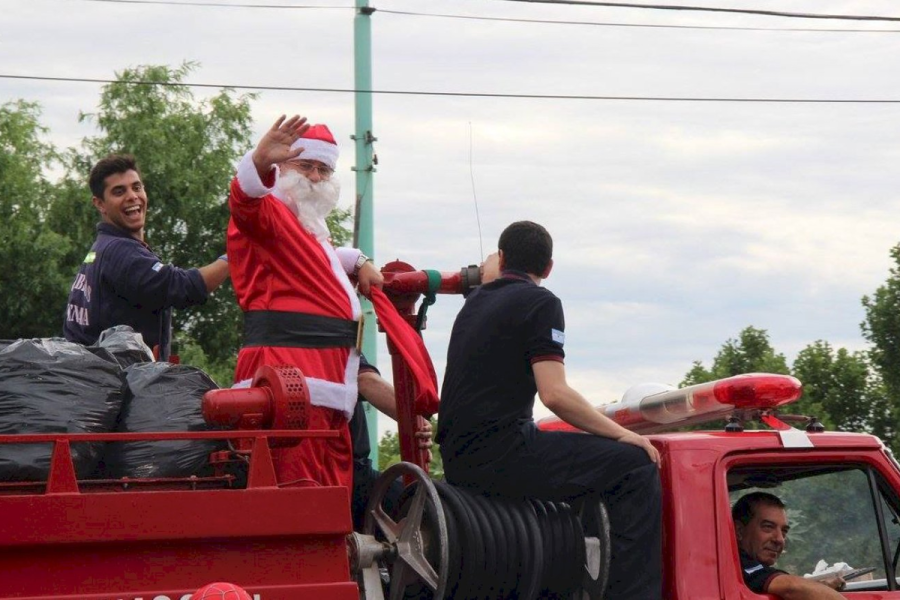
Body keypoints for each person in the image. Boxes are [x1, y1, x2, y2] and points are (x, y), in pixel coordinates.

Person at [437, 220, 662, 600]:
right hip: (502, 453)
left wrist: (494, 266)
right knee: (634, 465)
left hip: (457, 459)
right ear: (549, 268)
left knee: (572, 456)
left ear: (502, 258)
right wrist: (622, 433)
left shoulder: (474, 303)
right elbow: (554, 394)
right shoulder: (543, 302)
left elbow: (494, 277)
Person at [227, 114, 383, 489]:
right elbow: (245, 200)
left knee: (331, 498)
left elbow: (315, 256)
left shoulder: (307, 227)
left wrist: (357, 258)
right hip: (290, 390)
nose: (314, 177)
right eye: (305, 165)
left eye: (323, 169)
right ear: (280, 168)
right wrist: (259, 163)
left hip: (322, 389)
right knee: (301, 500)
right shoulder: (269, 212)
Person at [63, 154, 230, 356]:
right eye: (119, 191)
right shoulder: (120, 251)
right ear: (100, 204)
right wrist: (234, 257)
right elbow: (182, 287)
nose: (132, 196)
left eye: (137, 187)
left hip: (97, 381)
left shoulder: (101, 249)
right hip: (119, 384)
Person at [350, 355, 433, 531]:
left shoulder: (279, 343)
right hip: (349, 476)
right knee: (427, 509)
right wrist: (417, 422)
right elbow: (365, 380)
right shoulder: (332, 335)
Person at [733, 492, 846, 599]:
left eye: (784, 532)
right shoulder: (736, 564)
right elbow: (792, 587)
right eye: (768, 527)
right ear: (739, 531)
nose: (779, 539)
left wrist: (818, 588)